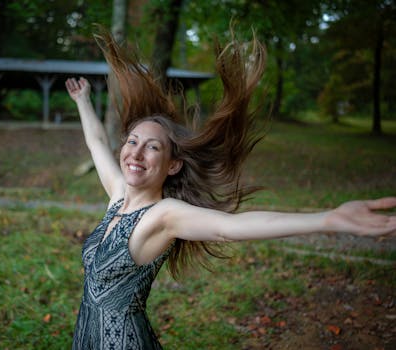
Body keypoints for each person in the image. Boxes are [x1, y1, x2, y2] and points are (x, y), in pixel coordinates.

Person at [65, 31, 396, 349]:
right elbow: (96, 143)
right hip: (87, 334)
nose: (135, 153)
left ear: (173, 165)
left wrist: (329, 219)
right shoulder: (118, 195)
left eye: (152, 148)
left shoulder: (163, 216)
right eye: (132, 142)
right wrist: (83, 101)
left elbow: (231, 228)